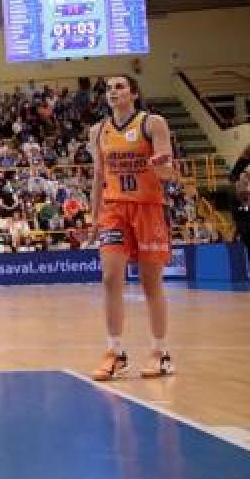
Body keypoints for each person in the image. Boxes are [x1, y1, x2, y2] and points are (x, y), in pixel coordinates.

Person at [89, 75, 176, 381]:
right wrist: (93, 214)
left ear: (134, 93)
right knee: (110, 278)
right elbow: (98, 175)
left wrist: (161, 164)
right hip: (113, 209)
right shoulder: (98, 130)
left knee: (150, 284)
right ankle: (115, 352)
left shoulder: (153, 124)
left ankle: (160, 352)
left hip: (148, 207)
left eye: (120, 87)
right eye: (109, 88)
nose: (113, 92)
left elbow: (170, 174)